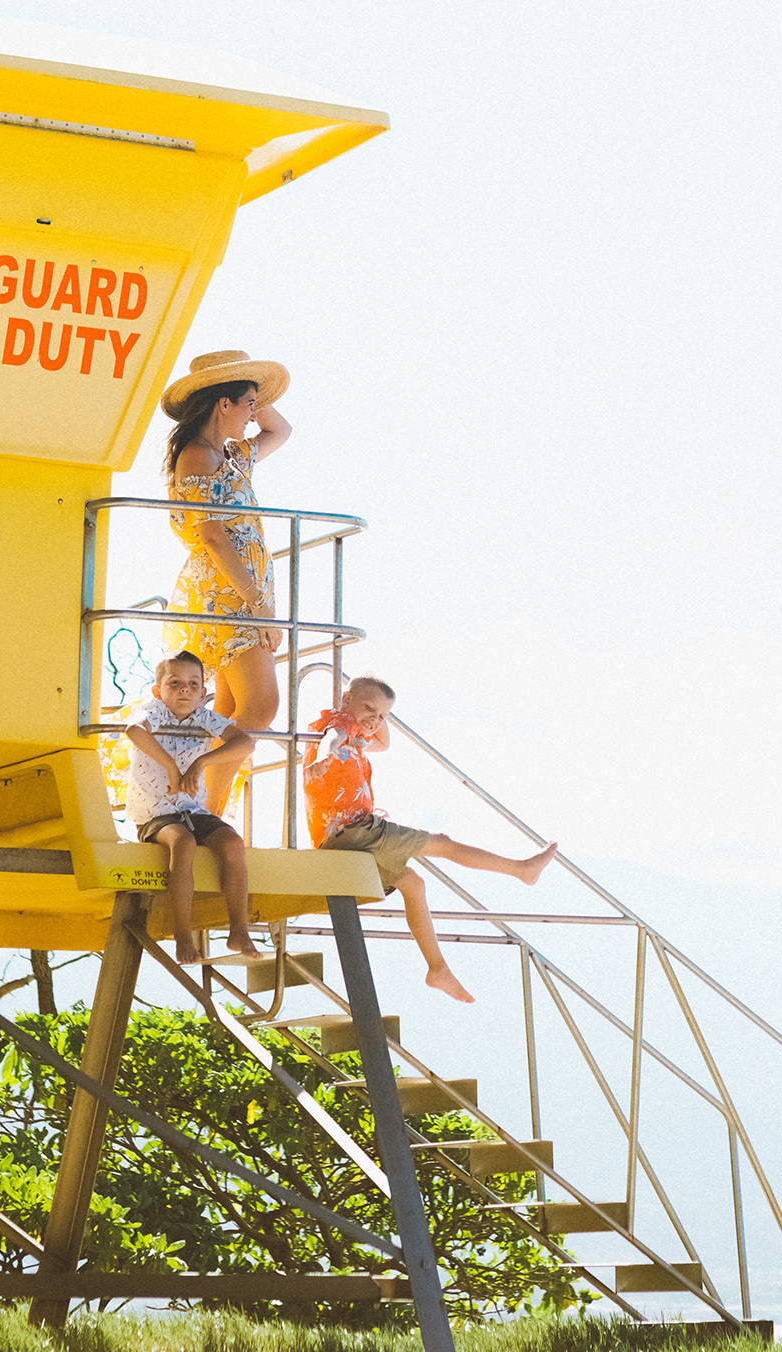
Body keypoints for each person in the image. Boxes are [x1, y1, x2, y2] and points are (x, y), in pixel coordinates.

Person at [303, 677, 558, 1003]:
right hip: (360, 831)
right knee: (444, 843)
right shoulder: (340, 725)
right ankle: (521, 869)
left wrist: (375, 716)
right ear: (346, 698)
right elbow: (333, 735)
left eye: (382, 716)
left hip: (341, 841)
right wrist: (324, 754)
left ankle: (437, 969)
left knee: (414, 885)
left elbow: (382, 743)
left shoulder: (358, 734)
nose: (375, 720)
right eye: (369, 708)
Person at [160, 350, 291, 819]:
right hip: (227, 598)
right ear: (223, 405)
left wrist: (253, 384)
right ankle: (207, 810)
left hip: (244, 594)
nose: (255, 413)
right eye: (248, 403)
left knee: (233, 713)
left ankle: (206, 811)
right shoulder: (199, 455)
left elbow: (281, 431)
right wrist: (258, 603)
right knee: (261, 708)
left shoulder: (233, 456)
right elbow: (211, 534)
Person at [125, 650, 258, 964]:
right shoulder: (154, 710)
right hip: (156, 813)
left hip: (193, 810)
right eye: (174, 683)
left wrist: (202, 762)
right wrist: (171, 767)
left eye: (192, 684)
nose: (184, 690)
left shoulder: (203, 715)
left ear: (202, 692)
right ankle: (182, 932)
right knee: (183, 843)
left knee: (232, 843)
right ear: (159, 691)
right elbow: (134, 731)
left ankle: (239, 929)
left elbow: (245, 742)